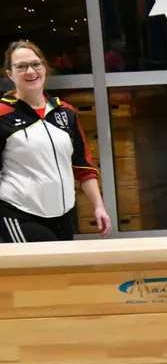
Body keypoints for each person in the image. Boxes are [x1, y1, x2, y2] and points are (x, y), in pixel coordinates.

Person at [0, 40, 111, 242]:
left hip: (64, 216)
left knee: (63, 272)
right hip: (20, 214)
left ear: (45, 68)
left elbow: (83, 166)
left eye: (36, 64)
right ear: (10, 74)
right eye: (21, 67)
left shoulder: (66, 112)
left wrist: (99, 207)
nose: (30, 71)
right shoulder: (2, 114)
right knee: (38, 272)